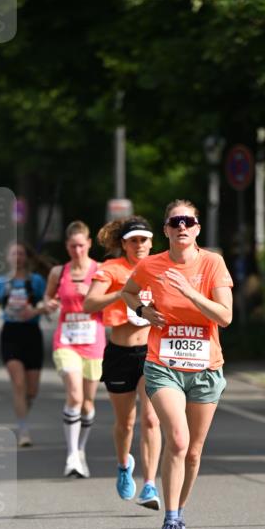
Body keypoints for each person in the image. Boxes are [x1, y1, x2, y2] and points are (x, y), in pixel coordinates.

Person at [122, 200, 233, 529]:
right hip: (163, 365)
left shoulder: (212, 263)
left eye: (189, 221)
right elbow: (127, 291)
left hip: (205, 368)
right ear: (166, 229)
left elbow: (225, 316)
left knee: (194, 453)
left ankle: (180, 514)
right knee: (179, 441)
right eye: (175, 222)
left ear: (197, 228)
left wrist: (189, 292)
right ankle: (169, 523)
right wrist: (142, 310)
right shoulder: (151, 265)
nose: (182, 226)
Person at [84, 216, 161, 508]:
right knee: (125, 423)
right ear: (124, 244)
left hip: (152, 353)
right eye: (133, 240)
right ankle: (122, 465)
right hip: (119, 352)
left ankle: (150, 484)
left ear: (152, 242)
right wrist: (122, 292)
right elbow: (89, 304)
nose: (139, 245)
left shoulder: (159, 267)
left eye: (144, 239)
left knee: (151, 418)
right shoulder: (111, 269)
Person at [43, 220, 105, 478]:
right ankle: (70, 455)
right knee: (75, 396)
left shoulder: (101, 270)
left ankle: (80, 450)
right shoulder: (59, 272)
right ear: (67, 246)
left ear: (89, 244)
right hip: (66, 340)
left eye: (81, 245)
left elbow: (112, 305)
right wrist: (49, 305)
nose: (77, 250)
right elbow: (48, 297)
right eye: (72, 246)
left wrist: (90, 293)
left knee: (88, 403)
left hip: (93, 341)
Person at [0, 241, 47, 447]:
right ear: (8, 257)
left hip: (32, 334)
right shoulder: (0, 282)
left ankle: (23, 416)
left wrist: (36, 310)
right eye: (14, 254)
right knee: (18, 383)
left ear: (26, 257)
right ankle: (23, 430)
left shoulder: (36, 281)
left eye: (21, 254)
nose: (18, 257)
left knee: (32, 390)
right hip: (11, 334)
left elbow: (46, 303)